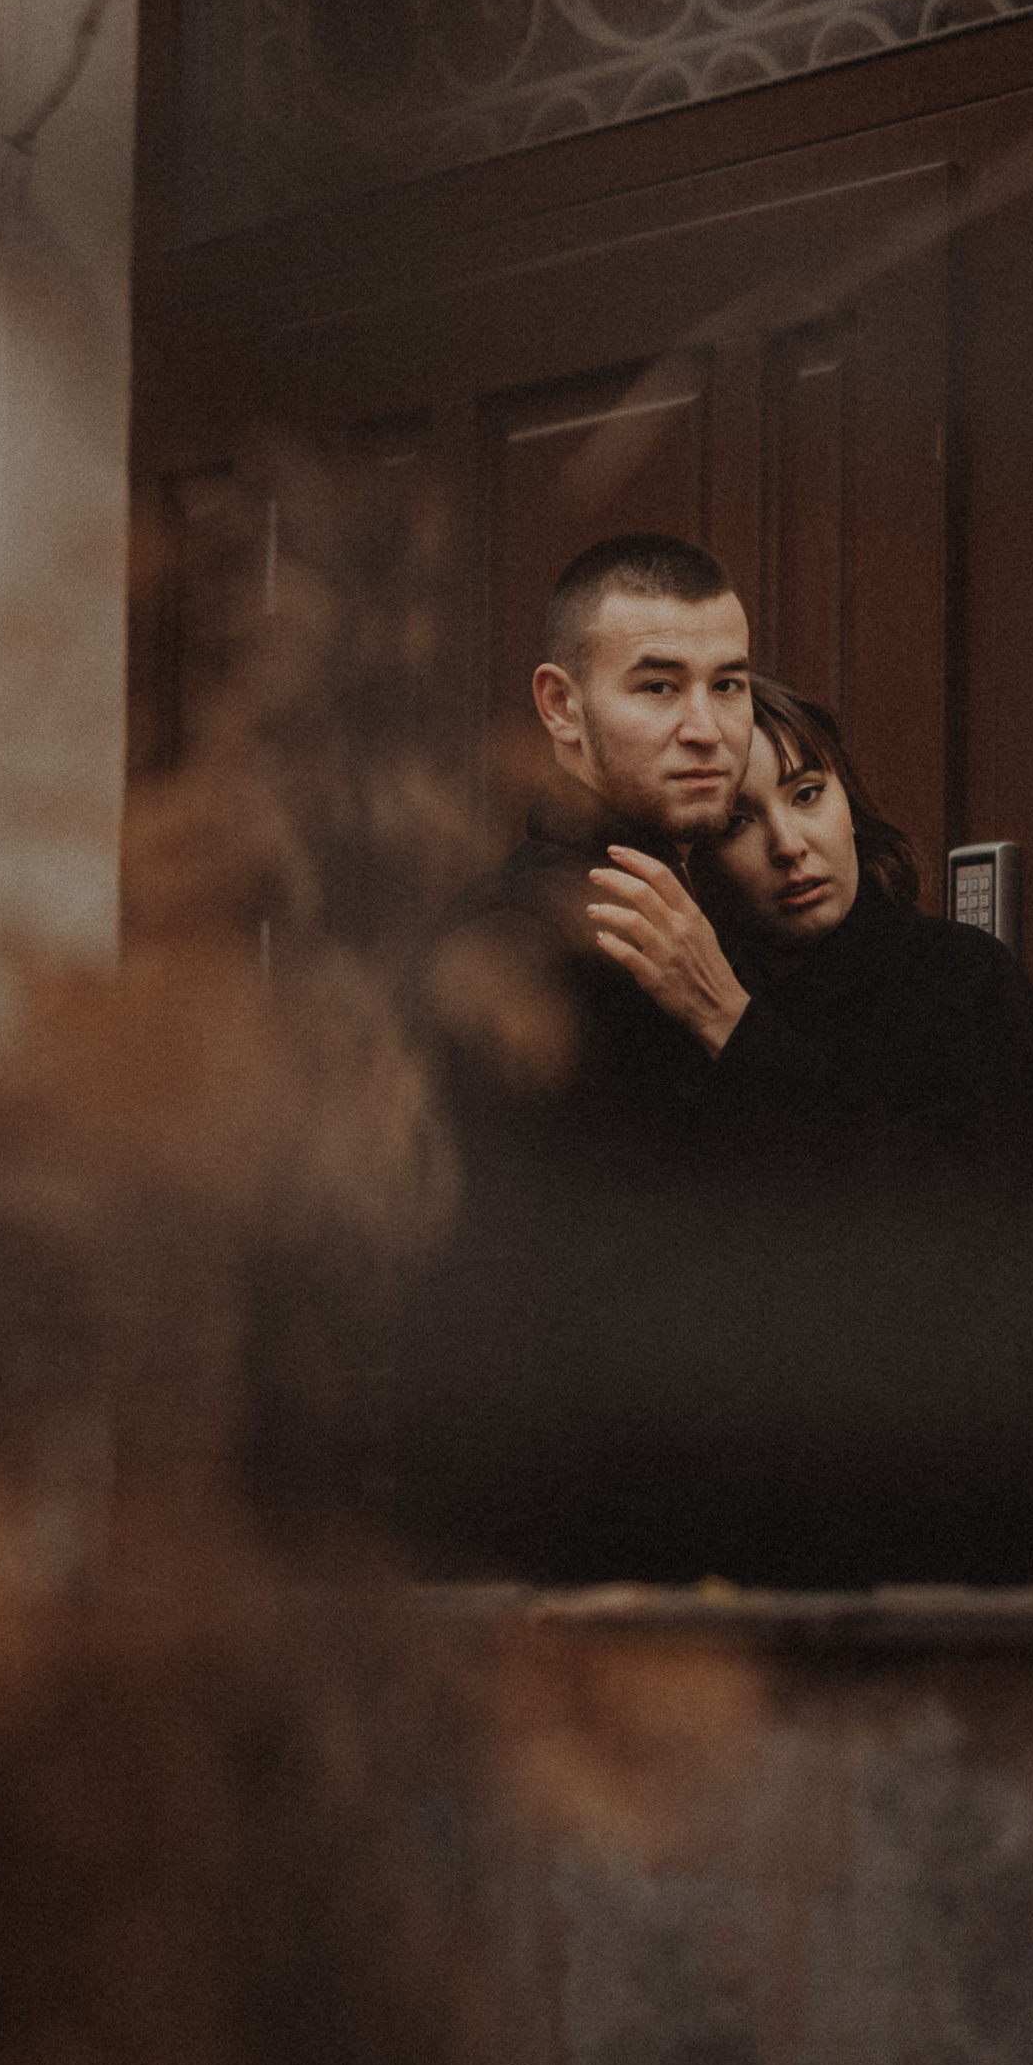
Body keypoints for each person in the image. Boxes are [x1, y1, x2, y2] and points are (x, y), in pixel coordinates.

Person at [582, 673, 1033, 1587]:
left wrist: (732, 1023)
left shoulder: (966, 985)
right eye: (738, 823)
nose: (789, 844)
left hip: (1006, 1537)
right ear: (693, 868)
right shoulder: (665, 1034)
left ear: (849, 799)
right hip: (779, 1562)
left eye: (809, 793)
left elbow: (927, 1245)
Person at [379, 532, 763, 1582]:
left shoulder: (706, 920)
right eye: (658, 686)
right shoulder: (525, 945)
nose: (707, 729)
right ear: (561, 708)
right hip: (582, 1561)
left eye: (729, 685)